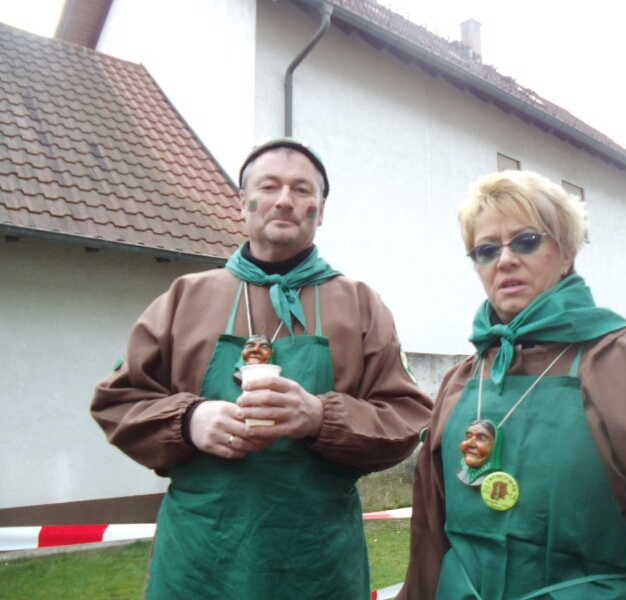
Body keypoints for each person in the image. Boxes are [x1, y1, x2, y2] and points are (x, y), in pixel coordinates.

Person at [91, 138, 433, 599]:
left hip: (316, 565)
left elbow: (407, 418)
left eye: (302, 190)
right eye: (269, 186)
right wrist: (189, 421)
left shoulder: (359, 305)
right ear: (243, 203)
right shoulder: (185, 299)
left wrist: (319, 417)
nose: (285, 200)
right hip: (200, 563)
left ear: (321, 210)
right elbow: (118, 402)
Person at [398, 170, 626, 600]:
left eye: (526, 241)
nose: (505, 260)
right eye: (487, 250)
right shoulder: (460, 383)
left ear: (566, 252)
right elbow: (429, 547)